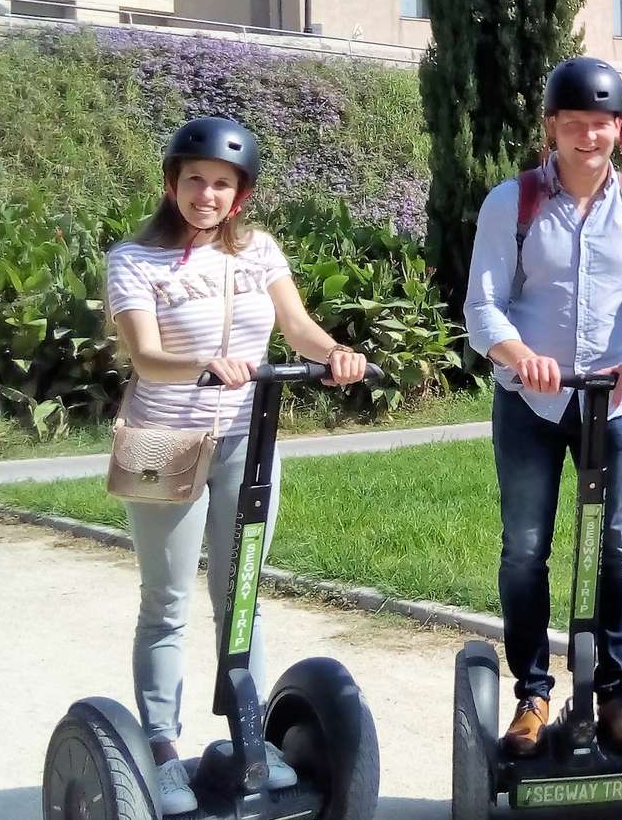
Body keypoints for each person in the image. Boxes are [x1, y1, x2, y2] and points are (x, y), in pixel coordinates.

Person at [106, 116, 369, 816]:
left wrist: (331, 354)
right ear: (172, 183)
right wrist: (205, 365)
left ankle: (248, 738)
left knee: (240, 600)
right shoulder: (134, 258)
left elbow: (298, 327)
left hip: (247, 446)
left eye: (223, 184)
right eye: (195, 179)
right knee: (166, 601)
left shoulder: (259, 252)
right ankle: (161, 747)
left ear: (240, 196)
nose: (207, 194)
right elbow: (146, 357)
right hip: (165, 442)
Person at [463, 57, 622, 757]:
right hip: (532, 402)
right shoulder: (515, 202)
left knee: (616, 546)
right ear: (551, 128)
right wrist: (515, 353)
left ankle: (612, 690)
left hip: (610, 403)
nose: (588, 136)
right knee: (526, 549)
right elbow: (482, 307)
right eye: (574, 124)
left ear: (619, 130)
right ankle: (533, 693)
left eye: (601, 123)